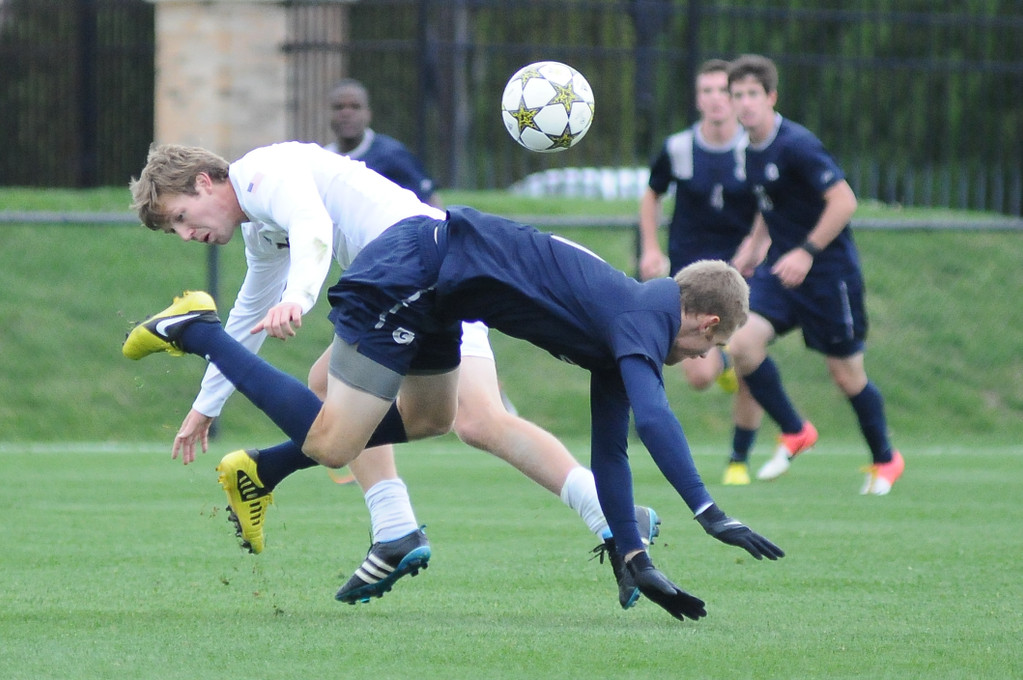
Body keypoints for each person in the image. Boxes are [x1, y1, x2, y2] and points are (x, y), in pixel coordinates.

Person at [123, 184, 786, 621]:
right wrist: (707, 511)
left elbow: (611, 450)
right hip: (415, 270)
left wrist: (633, 556)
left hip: (445, 295)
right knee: (334, 443)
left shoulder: (627, 335)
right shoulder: (642, 321)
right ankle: (197, 330)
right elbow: (656, 419)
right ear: (701, 322)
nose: (702, 361)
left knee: (433, 418)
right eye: (710, 349)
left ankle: (265, 466)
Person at [726, 54, 905, 494]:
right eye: (737, 95)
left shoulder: (798, 145)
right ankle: (794, 429)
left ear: (771, 97)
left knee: (845, 375)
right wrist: (751, 249)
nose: (745, 103)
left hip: (828, 275)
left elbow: (844, 201)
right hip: (782, 272)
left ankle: (886, 459)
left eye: (753, 94)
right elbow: (770, 205)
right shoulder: (750, 148)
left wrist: (806, 252)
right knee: (742, 342)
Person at [637, 58, 764, 486]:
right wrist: (652, 248)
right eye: (706, 90)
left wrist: (758, 249)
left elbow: (773, 205)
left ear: (736, 99)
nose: (715, 99)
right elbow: (651, 195)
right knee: (698, 376)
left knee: (752, 354)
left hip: (741, 274)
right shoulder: (678, 148)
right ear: (698, 99)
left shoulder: (753, 150)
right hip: (690, 277)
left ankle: (738, 460)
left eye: (722, 91)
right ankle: (721, 360)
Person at [325, 78, 443, 209]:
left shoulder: (391, 154)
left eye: (355, 107)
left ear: (368, 114)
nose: (346, 113)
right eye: (338, 107)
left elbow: (429, 199)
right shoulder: (323, 159)